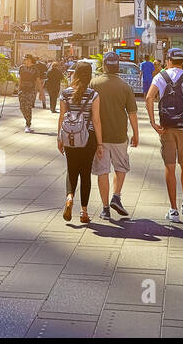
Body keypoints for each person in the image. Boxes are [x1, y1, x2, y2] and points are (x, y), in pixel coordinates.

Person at [144, 48, 183, 222]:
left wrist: (153, 123)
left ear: (168, 60)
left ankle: (173, 210)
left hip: (166, 127)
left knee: (169, 167)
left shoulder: (160, 76)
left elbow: (148, 98)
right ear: (182, 61)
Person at [91, 53, 139, 221]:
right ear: (117, 66)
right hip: (119, 135)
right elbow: (132, 113)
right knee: (121, 167)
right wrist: (136, 134)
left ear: (104, 65)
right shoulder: (125, 86)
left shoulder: (94, 83)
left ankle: (105, 209)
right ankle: (116, 196)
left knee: (102, 171)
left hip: (99, 137)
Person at [58, 61, 103, 224]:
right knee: (85, 174)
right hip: (88, 137)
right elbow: (96, 121)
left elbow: (62, 116)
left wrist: (59, 137)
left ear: (75, 74)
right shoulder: (93, 95)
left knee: (71, 170)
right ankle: (84, 212)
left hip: (70, 136)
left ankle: (69, 197)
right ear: (90, 76)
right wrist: (100, 143)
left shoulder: (65, 93)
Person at [17, 54, 39, 133]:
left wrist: (40, 93)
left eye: (25, 59)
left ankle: (28, 124)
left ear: (29, 60)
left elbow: (37, 81)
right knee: (22, 107)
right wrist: (18, 89)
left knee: (28, 107)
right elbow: (20, 79)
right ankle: (27, 120)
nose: (24, 61)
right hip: (22, 90)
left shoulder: (35, 69)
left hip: (31, 90)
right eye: (24, 59)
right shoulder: (21, 68)